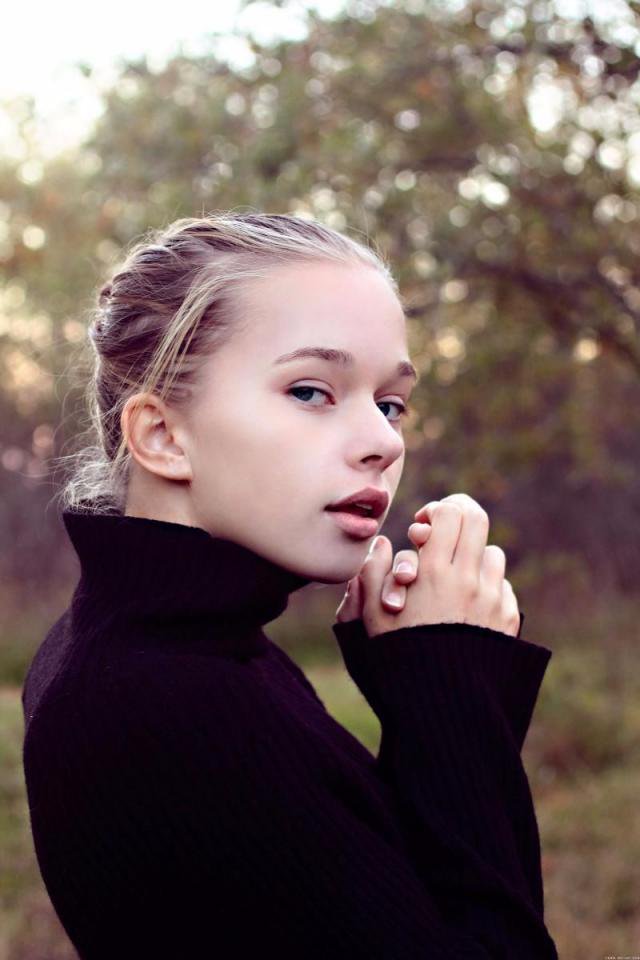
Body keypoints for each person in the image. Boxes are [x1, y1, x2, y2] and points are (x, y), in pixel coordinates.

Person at [21, 211, 558, 958]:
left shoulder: (195, 651)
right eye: (311, 392)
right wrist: (454, 690)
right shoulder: (169, 704)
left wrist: (430, 687)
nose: (384, 441)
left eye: (390, 403)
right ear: (163, 436)